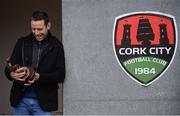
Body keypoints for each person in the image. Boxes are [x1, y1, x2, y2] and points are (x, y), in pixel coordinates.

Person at [4, 10, 65, 115]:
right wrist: (12, 74)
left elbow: (60, 75)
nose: (36, 33)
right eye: (33, 29)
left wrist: (39, 77)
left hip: (44, 103)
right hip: (20, 101)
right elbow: (7, 70)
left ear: (48, 25)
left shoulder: (57, 46)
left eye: (40, 29)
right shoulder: (21, 43)